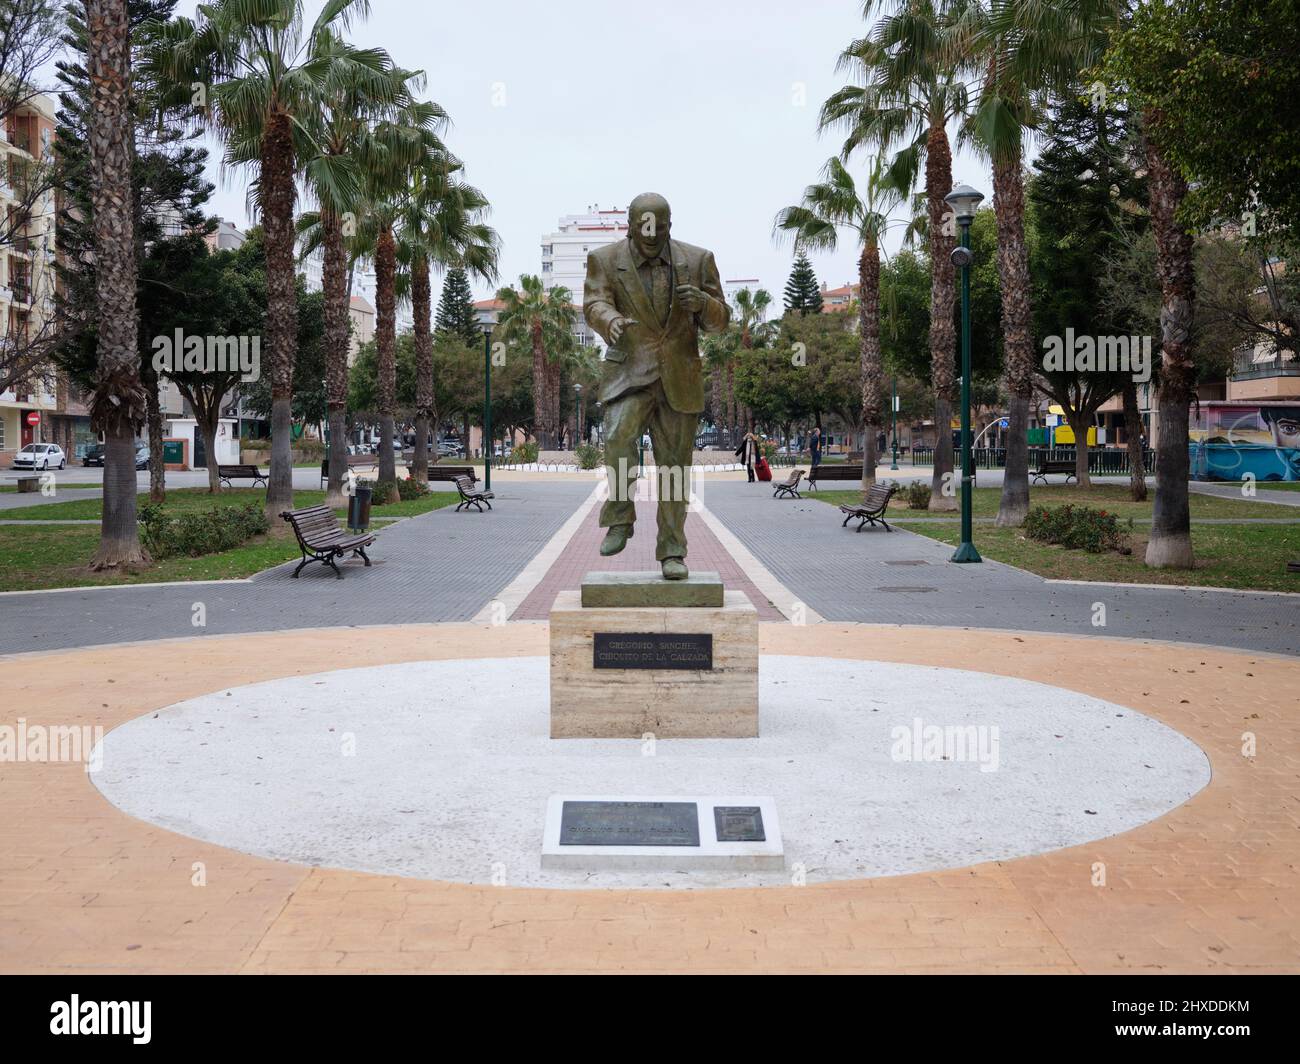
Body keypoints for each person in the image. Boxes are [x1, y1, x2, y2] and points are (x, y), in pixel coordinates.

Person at [583, 192, 730, 579]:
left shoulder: (698, 261)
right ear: (631, 226)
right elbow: (594, 303)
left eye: (659, 229)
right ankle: (619, 517)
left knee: (675, 468)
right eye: (644, 229)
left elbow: (720, 322)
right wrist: (609, 319)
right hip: (629, 371)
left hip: (679, 377)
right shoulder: (605, 259)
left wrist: (701, 303)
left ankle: (672, 550)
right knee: (616, 437)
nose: (651, 236)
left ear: (669, 225)